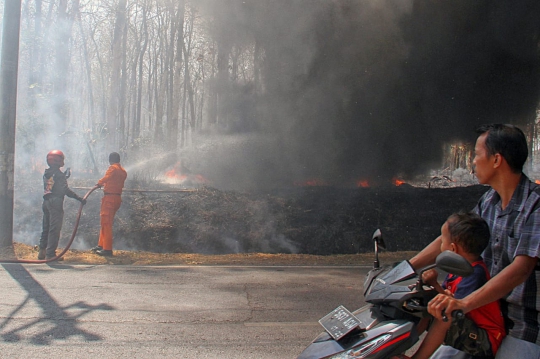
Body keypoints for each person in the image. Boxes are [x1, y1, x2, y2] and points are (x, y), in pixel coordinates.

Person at [410, 124, 540, 358]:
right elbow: (451, 234)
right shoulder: (489, 201)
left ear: (496, 160)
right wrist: (408, 267)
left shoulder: (536, 206)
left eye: (477, 154)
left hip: (524, 326)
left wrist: (465, 303)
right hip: (483, 315)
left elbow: (522, 269)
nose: (473, 161)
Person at [395, 212, 505, 359]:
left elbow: (453, 307)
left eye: (442, 241)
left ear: (452, 249)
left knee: (444, 316)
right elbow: (446, 296)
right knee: (424, 304)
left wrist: (434, 284)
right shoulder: (458, 268)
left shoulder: (473, 274)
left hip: (485, 340)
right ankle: (398, 348)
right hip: (469, 327)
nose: (440, 245)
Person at [38, 150, 86, 260]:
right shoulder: (59, 175)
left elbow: (53, 182)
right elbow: (65, 190)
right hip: (55, 202)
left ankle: (42, 252)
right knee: (54, 229)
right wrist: (79, 199)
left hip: (46, 202)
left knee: (46, 227)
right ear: (58, 161)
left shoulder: (46, 173)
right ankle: (50, 254)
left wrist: (64, 176)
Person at [91, 152, 127, 257]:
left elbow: (107, 177)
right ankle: (101, 245)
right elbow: (114, 181)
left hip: (110, 198)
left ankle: (107, 249)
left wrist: (99, 183)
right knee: (105, 222)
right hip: (116, 198)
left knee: (106, 223)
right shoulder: (123, 171)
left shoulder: (113, 168)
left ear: (110, 160)